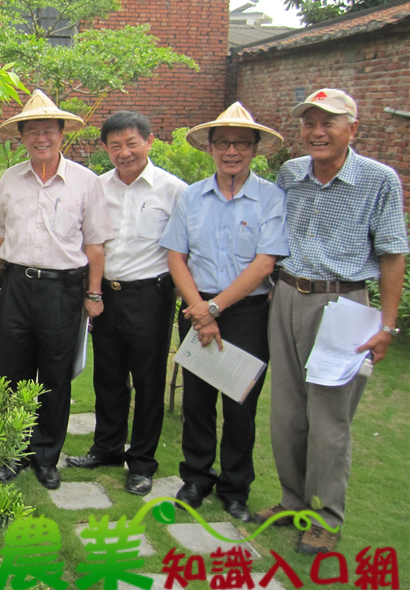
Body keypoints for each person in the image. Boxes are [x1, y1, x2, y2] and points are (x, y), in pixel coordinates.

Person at [257, 88, 407, 554]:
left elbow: (392, 254)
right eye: (309, 123)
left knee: (329, 418)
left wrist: (385, 326)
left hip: (345, 307)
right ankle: (291, 500)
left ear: (352, 128)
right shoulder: (291, 173)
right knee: (286, 412)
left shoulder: (378, 180)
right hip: (286, 296)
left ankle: (327, 516)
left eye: (329, 123)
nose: (317, 132)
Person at [160, 102, 289, 523]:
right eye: (223, 143)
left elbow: (264, 264)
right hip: (196, 305)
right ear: (210, 148)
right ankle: (196, 477)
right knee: (197, 400)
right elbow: (176, 256)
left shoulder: (270, 198)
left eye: (241, 144)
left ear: (254, 149)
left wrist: (214, 308)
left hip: (247, 313)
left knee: (240, 404)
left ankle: (235, 487)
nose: (231, 151)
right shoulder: (192, 196)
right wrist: (200, 309)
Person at [0, 90, 114, 490]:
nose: (41, 138)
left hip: (63, 290)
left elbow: (95, 243)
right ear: (22, 137)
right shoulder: (9, 179)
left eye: (48, 131)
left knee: (55, 375)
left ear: (62, 135)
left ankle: (46, 455)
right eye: (32, 132)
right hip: (16, 286)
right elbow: (0, 235)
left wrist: (93, 293)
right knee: (13, 371)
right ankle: (13, 450)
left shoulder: (85, 182)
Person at [67, 111, 186, 496]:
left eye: (132, 143)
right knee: (108, 377)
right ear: (105, 149)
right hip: (105, 295)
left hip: (150, 295)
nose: (124, 152)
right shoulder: (96, 187)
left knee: (148, 381)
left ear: (150, 142)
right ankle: (107, 448)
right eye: (115, 145)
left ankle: (142, 463)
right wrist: (91, 292)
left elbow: (184, 249)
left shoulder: (173, 190)